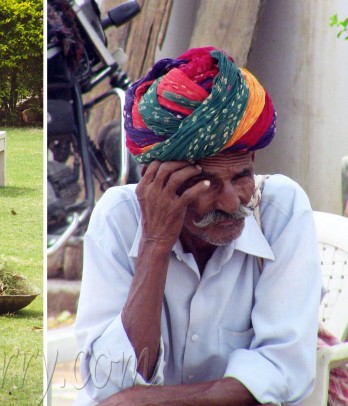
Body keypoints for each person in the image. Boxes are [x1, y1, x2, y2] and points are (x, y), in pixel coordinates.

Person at [75, 47, 322, 405]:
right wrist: (155, 243)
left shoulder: (282, 210)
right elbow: (110, 383)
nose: (231, 202)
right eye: (206, 183)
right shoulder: (119, 218)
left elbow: (283, 372)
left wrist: (148, 402)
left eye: (241, 176)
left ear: (252, 160)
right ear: (155, 179)